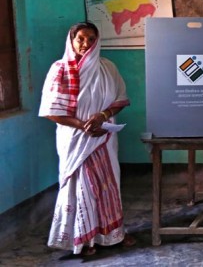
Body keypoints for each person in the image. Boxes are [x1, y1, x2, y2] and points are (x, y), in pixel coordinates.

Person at [39, 22, 135, 256]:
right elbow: (52, 111)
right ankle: (85, 239)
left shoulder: (107, 67)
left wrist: (103, 117)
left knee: (108, 185)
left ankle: (113, 234)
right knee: (82, 188)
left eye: (91, 39)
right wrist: (83, 126)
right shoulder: (60, 69)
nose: (86, 44)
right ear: (71, 40)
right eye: (81, 38)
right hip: (76, 139)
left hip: (103, 137)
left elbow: (120, 100)